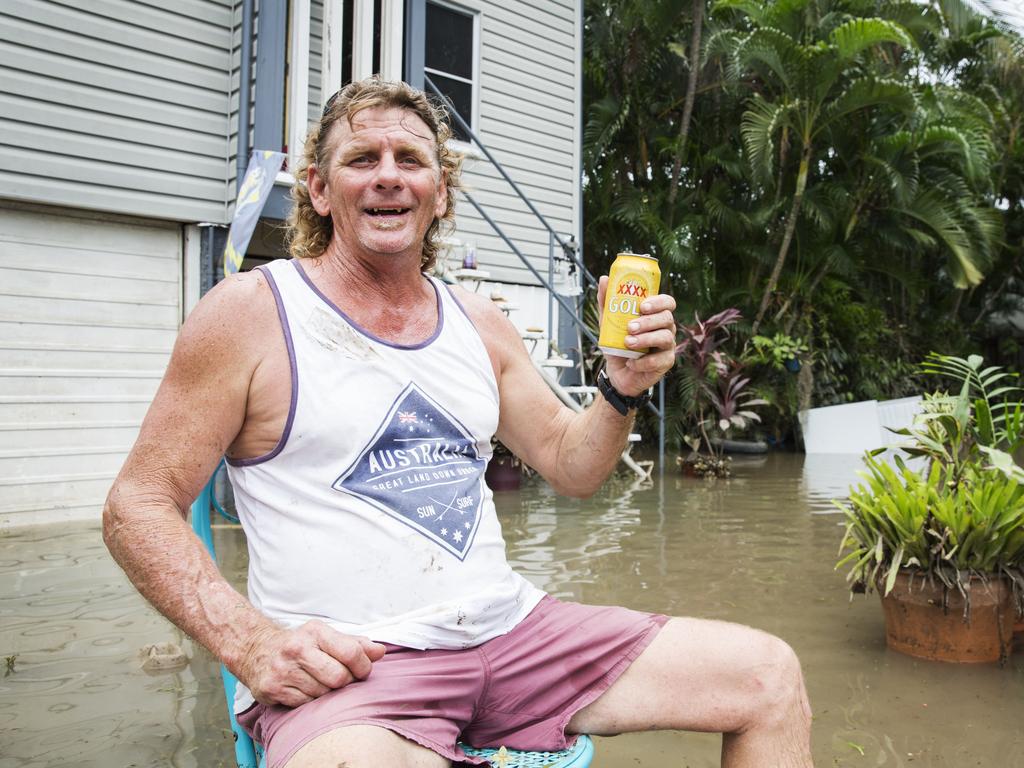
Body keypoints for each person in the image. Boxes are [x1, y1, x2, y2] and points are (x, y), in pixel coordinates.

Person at [103, 77, 813, 768]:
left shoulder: (481, 324)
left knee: (767, 678)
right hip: (357, 669)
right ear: (318, 190)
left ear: (439, 193)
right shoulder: (250, 312)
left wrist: (620, 390)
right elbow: (137, 506)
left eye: (411, 160)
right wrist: (252, 643)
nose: (389, 177)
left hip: (512, 635)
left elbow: (572, 466)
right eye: (361, 159)